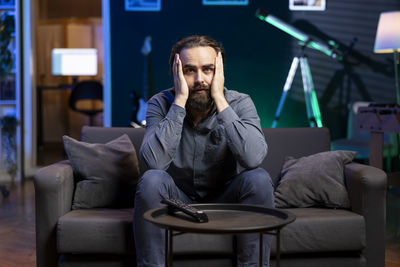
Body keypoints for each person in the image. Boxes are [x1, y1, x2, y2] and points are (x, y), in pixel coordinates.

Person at [133, 35, 274, 267]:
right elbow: (154, 163)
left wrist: (219, 98)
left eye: (208, 69)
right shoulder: (159, 103)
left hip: (226, 201)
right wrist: (179, 101)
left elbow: (253, 158)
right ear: (176, 74)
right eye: (189, 70)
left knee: (258, 179)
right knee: (152, 180)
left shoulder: (240, 103)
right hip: (178, 202)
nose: (200, 79)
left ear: (219, 71)